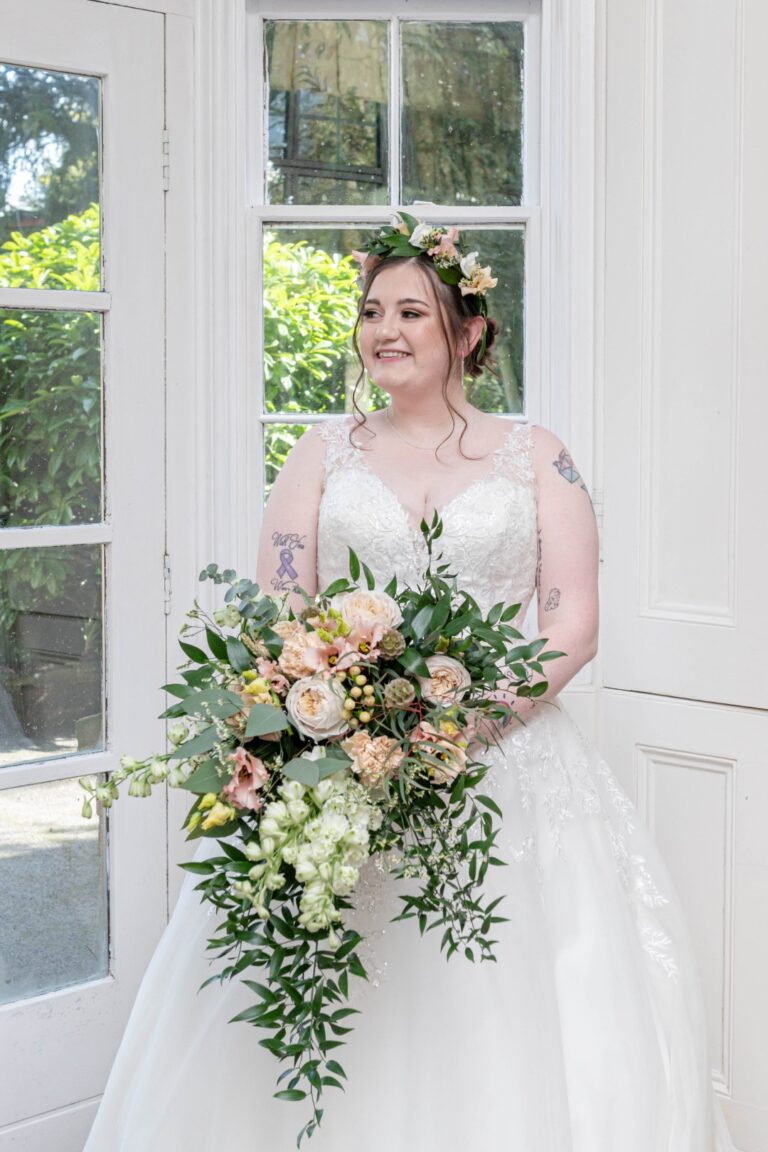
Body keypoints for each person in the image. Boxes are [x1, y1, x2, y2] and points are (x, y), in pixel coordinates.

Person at [83, 220, 736, 1151]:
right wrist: (334, 721)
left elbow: (574, 625)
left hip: (506, 765)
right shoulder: (321, 451)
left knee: (505, 1001)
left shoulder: (536, 454)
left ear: (466, 333)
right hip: (350, 766)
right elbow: (281, 610)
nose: (384, 330)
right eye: (372, 312)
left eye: (412, 312)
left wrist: (457, 727)